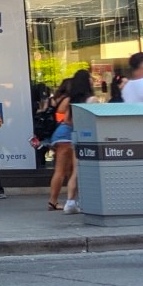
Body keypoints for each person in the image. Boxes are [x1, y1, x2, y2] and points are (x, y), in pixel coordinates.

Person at [49, 69, 93, 214]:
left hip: (61, 133)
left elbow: (64, 116)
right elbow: (72, 121)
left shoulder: (71, 98)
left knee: (63, 170)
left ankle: (55, 201)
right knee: (70, 170)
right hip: (69, 135)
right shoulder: (87, 99)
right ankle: (63, 201)